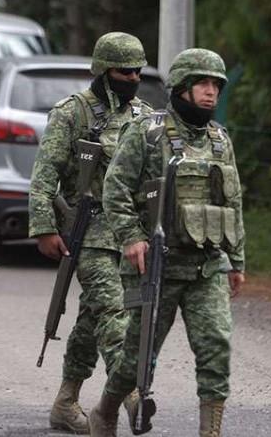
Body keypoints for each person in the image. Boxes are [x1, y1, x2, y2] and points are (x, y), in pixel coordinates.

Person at [89, 48, 245, 437]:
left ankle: (211, 432)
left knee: (216, 350)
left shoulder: (220, 140)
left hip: (206, 265)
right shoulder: (147, 132)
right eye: (203, 84)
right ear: (181, 88)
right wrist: (131, 238)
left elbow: (233, 201)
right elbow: (116, 189)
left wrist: (237, 260)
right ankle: (105, 410)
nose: (211, 93)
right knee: (137, 357)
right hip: (156, 266)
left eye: (216, 85)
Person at [29, 31, 154, 434]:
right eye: (123, 71)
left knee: (91, 318)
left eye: (137, 71)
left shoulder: (145, 117)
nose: (132, 78)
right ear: (102, 71)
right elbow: (44, 176)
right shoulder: (72, 113)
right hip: (89, 233)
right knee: (115, 312)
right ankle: (132, 395)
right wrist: (44, 227)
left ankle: (66, 402)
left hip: (130, 232)